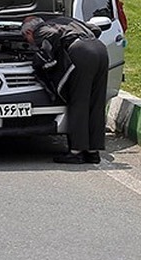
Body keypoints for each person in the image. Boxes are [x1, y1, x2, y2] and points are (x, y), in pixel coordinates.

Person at [22, 15, 109, 164]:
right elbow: (94, 29)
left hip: (81, 52)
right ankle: (93, 152)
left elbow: (54, 35)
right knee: (96, 102)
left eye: (25, 39)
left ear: (28, 32)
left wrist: (47, 57)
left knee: (79, 101)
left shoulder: (39, 30)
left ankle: (76, 151)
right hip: (100, 49)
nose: (28, 42)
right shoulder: (63, 20)